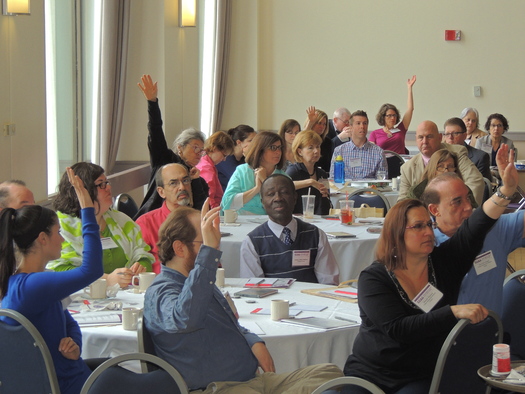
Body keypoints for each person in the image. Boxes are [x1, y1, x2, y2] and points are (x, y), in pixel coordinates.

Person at [343, 146, 518, 393]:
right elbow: (399, 329)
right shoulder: (375, 278)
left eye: (428, 224)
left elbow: (476, 226)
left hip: (419, 375)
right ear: (397, 235)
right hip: (371, 374)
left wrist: (505, 190)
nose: (427, 232)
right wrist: (453, 311)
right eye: (417, 227)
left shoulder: (444, 262)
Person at [143, 200, 343, 392]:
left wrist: (251, 340)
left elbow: (227, 323)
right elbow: (185, 319)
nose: (215, 247)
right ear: (179, 248)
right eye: (205, 241)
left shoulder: (197, 282)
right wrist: (209, 254)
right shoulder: (161, 291)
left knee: (330, 374)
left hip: (252, 382)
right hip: (218, 389)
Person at [0, 167, 103, 394]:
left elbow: (69, 323)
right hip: (68, 385)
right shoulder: (33, 286)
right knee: (152, 377)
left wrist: (73, 344)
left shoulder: (26, 283)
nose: (62, 238)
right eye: (58, 232)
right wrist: (87, 209)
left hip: (66, 377)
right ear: (43, 239)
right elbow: (92, 270)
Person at [422, 156, 525, 315]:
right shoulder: (423, 244)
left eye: (468, 198)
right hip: (442, 336)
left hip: (489, 334)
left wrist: (510, 186)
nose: (469, 207)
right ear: (435, 210)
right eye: (457, 202)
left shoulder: (494, 229)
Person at [47, 162, 154, 288]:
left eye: (107, 183)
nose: (108, 188)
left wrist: (141, 266)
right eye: (101, 184)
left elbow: (144, 254)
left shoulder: (121, 220)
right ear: (83, 190)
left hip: (124, 297)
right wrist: (106, 280)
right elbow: (57, 270)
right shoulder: (61, 227)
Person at [240, 174, 339, 284]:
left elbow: (328, 282)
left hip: (310, 299)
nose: (278, 198)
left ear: (295, 197)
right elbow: (253, 288)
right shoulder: (252, 242)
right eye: (270, 194)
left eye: (284, 192)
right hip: (271, 300)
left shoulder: (315, 235)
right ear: (262, 202)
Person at [135, 74, 209, 218]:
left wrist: (194, 182)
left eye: (202, 151)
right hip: (154, 221)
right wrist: (152, 102)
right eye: (195, 148)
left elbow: (202, 212)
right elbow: (155, 130)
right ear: (180, 147)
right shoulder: (164, 159)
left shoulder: (197, 178)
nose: (199, 154)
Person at [398, 120, 484, 206]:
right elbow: (402, 202)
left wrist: (464, 210)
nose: (424, 141)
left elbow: (475, 181)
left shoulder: (456, 153)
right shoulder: (407, 168)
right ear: (416, 139)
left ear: (440, 138)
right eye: (420, 137)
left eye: (429, 136)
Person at [136, 163, 193, 273]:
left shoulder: (199, 220)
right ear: (161, 192)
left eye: (185, 181)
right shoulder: (146, 223)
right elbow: (139, 265)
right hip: (161, 285)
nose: (182, 187)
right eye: (173, 183)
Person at [222, 131, 287, 214]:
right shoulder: (242, 171)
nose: (278, 152)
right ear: (260, 150)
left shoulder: (283, 177)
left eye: (280, 148)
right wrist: (256, 189)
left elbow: (284, 208)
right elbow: (227, 203)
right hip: (242, 224)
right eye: (273, 148)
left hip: (270, 224)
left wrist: (265, 181)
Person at [330, 110, 387, 180]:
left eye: (365, 123)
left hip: (370, 190)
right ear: (350, 126)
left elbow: (382, 181)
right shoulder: (339, 151)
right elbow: (333, 179)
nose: (362, 126)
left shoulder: (378, 152)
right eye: (358, 123)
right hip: (345, 190)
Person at [406, 149, 475, 205]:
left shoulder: (465, 190)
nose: (446, 171)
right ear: (432, 169)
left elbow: (471, 213)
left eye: (450, 166)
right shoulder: (416, 192)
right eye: (440, 167)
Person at [286, 130, 331, 215]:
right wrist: (310, 182)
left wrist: (326, 194)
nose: (316, 151)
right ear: (300, 151)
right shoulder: (293, 171)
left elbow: (327, 199)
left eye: (318, 147)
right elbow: (284, 186)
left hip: (320, 219)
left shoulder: (322, 173)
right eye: (310, 148)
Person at [369, 75, 416, 155]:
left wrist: (409, 88)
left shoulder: (401, 129)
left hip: (399, 163)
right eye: (389, 115)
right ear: (383, 117)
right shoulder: (375, 133)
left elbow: (410, 109)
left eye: (394, 115)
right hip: (383, 164)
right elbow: (371, 152)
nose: (392, 118)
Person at [195, 130, 234, 208]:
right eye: (224, 155)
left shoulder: (206, 163)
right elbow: (209, 198)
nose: (224, 159)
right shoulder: (207, 168)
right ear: (215, 148)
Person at [216, 125, 256, 191]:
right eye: (251, 140)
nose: (255, 144)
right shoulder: (226, 159)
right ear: (239, 142)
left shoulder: (243, 158)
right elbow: (244, 182)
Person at [304, 106, 332, 172]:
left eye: (324, 124)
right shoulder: (306, 139)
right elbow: (300, 139)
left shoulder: (328, 142)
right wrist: (310, 123)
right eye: (319, 123)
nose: (322, 127)